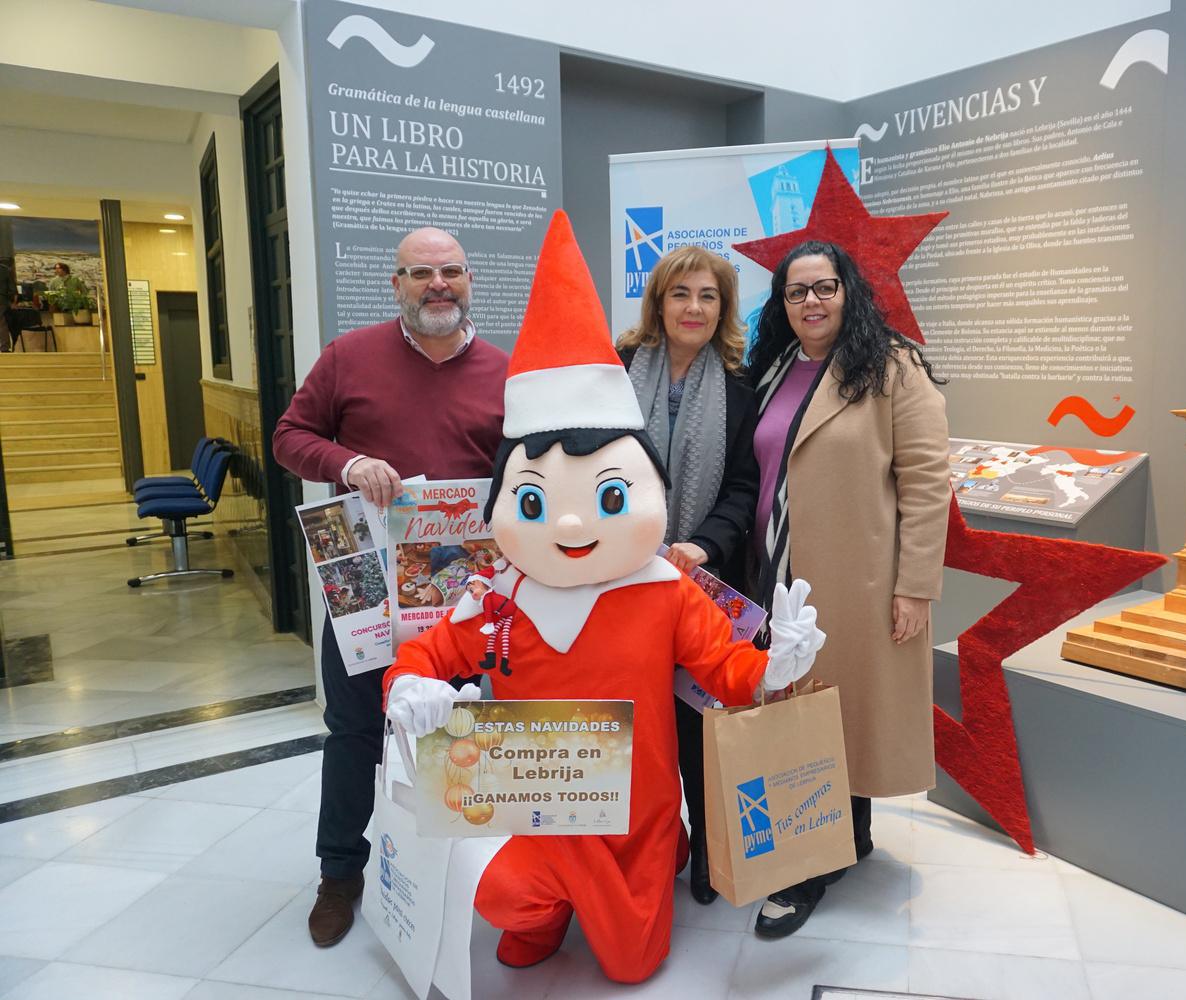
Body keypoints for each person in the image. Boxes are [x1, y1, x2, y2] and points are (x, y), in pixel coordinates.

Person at [384, 210, 821, 983]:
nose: (572, 523)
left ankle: (657, 854)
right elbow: (428, 652)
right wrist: (410, 685)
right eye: (535, 501)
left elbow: (725, 672)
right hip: (530, 808)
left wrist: (774, 668)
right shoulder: (497, 596)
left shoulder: (665, 592)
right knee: (504, 897)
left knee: (629, 965)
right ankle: (556, 896)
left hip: (632, 823)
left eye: (609, 497)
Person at [271, 226, 509, 947]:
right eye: (421, 273)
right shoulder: (349, 356)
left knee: (450, 725)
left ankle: (444, 870)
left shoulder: (506, 371)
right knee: (353, 731)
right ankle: (340, 872)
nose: (438, 285)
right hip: (364, 585)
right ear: (396, 283)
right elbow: (290, 437)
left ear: (469, 280)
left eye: (451, 271)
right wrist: (347, 465)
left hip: (459, 591)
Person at [745, 239, 951, 938]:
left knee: (830, 718)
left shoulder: (892, 367)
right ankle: (848, 836)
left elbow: (926, 482)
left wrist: (915, 586)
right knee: (804, 716)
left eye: (824, 287)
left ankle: (805, 869)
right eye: (796, 291)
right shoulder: (774, 370)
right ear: (781, 303)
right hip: (772, 575)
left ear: (848, 291)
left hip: (854, 580)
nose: (811, 301)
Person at [615, 244, 759, 905]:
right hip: (618, 579)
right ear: (658, 302)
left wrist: (703, 544)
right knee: (637, 726)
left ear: (723, 308)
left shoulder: (740, 386)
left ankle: (706, 849)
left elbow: (744, 486)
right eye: (680, 293)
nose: (693, 307)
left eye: (708, 296)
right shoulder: (616, 370)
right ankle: (642, 847)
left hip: (698, 581)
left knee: (699, 723)